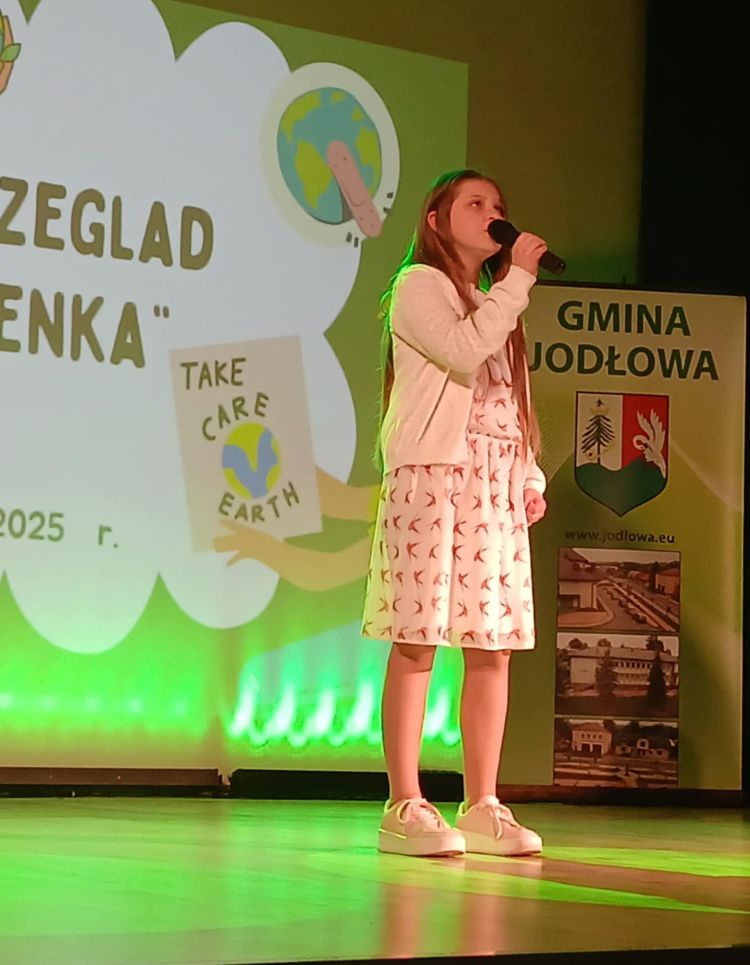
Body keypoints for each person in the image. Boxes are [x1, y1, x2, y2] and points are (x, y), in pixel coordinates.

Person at [361, 169, 548, 858]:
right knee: (418, 638)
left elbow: (510, 400)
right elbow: (464, 349)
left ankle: (482, 802)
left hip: (494, 486)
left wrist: (529, 474)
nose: (491, 212)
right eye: (474, 203)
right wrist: (517, 281)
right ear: (436, 220)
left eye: (497, 204)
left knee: (492, 645)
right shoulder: (419, 286)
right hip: (434, 480)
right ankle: (404, 801)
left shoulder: (497, 301)